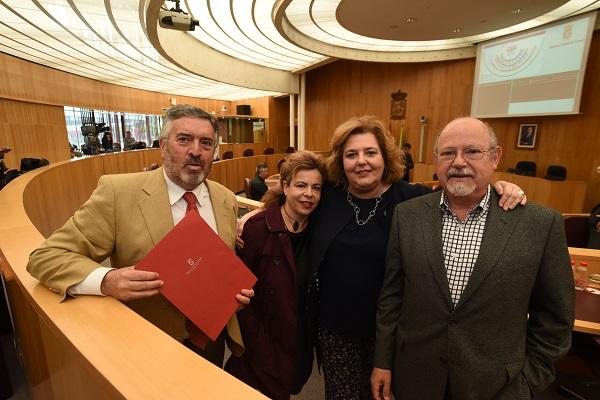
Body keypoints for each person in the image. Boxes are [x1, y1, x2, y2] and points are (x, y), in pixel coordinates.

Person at [237, 115, 526, 399]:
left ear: (385, 157)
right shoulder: (329, 196)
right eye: (352, 154)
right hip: (336, 332)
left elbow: (461, 193)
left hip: (396, 335)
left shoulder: (413, 199)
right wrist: (259, 213)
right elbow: (294, 200)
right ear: (341, 162)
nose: (361, 160)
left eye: (370, 152)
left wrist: (501, 187)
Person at [27, 105, 254, 367]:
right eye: (184, 139)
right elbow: (46, 257)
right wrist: (107, 280)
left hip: (214, 340)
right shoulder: (118, 193)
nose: (195, 150)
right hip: (149, 346)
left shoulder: (225, 198)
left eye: (206, 143)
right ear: (163, 146)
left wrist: (232, 295)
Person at [371, 117, 574, 400]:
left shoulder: (539, 224)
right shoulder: (407, 215)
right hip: (416, 379)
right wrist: (383, 361)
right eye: (448, 153)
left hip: (497, 386)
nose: (458, 162)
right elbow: (391, 297)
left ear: (495, 157)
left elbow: (555, 319)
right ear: (436, 160)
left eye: (472, 151)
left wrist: (527, 383)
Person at [225, 151, 327, 400]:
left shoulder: (320, 228)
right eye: (301, 185)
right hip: (259, 342)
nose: (309, 194)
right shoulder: (256, 229)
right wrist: (255, 338)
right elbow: (238, 290)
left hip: (299, 340)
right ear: (285, 186)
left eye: (316, 187)